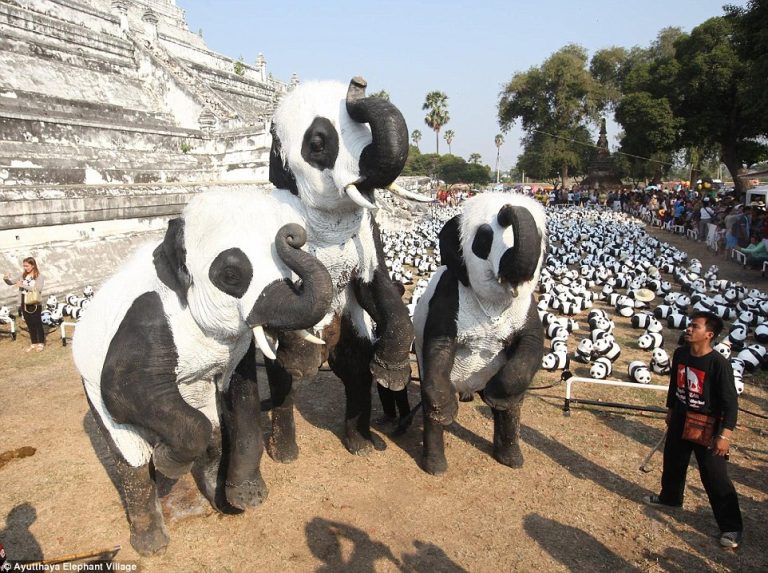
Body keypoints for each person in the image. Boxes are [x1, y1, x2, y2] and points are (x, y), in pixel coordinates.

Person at [644, 311, 742, 548]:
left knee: (714, 475)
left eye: (695, 327)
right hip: (680, 417)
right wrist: (670, 409)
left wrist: (724, 435)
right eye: (689, 325)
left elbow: (730, 403)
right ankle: (671, 498)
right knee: (674, 461)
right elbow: (673, 384)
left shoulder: (719, 364)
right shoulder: (680, 353)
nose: (688, 329)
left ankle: (731, 527)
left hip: (707, 426)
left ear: (709, 335)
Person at [3, 257, 46, 352]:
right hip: (24, 301)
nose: (25, 268)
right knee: (29, 323)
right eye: (24, 266)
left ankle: (41, 343)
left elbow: (38, 289)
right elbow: (11, 282)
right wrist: (5, 278)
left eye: (27, 266)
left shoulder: (39, 276)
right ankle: (34, 343)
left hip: (35, 302)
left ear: (33, 265)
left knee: (37, 323)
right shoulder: (22, 275)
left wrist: (22, 285)